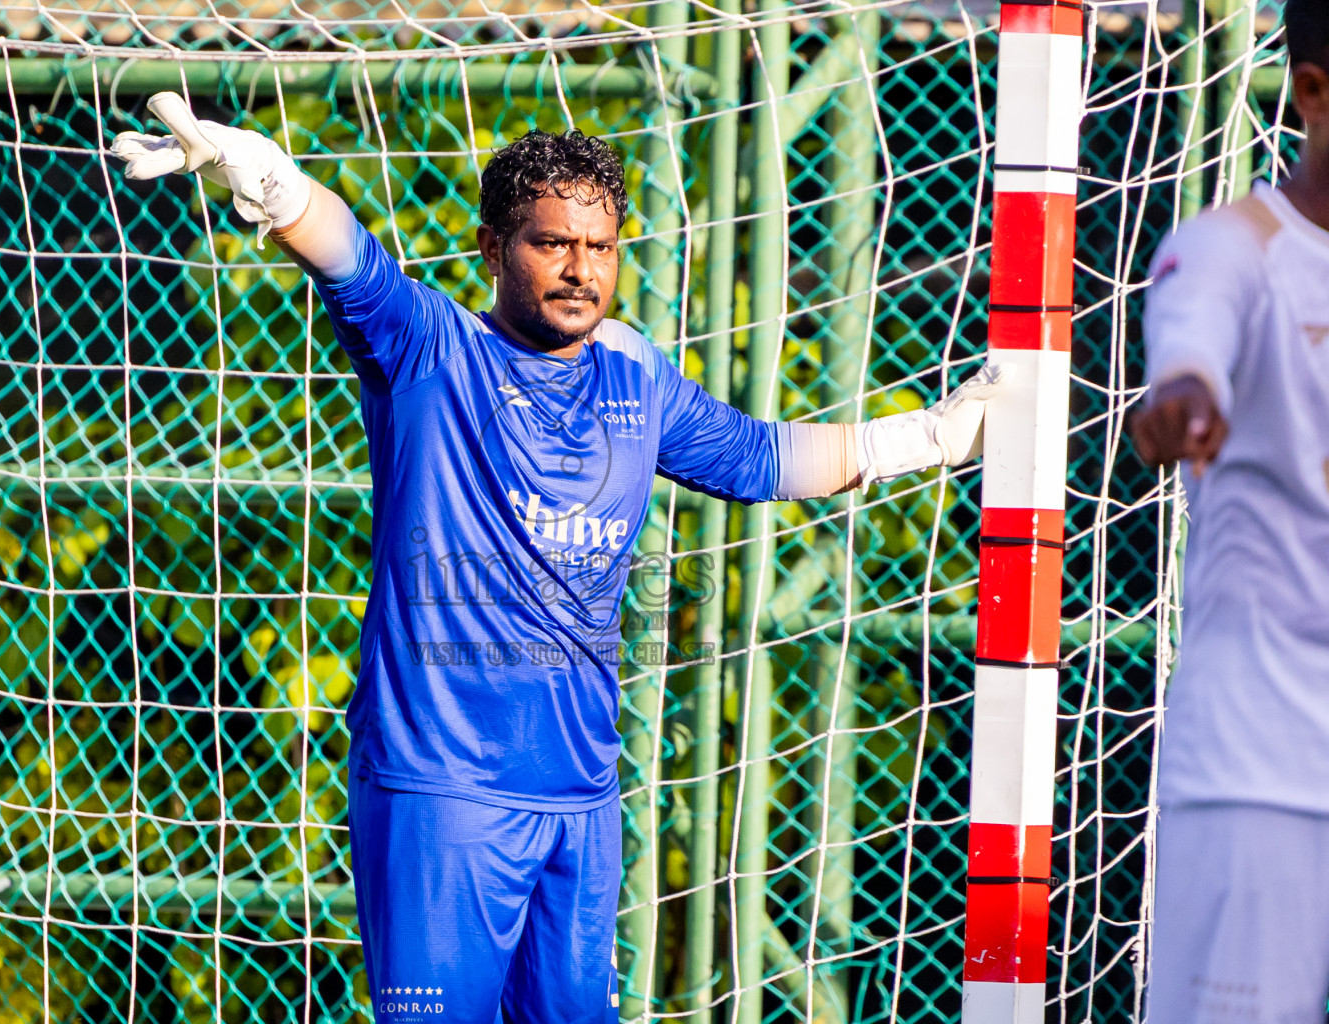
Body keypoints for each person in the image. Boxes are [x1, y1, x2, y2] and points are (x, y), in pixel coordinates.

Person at [112, 101, 1001, 1023]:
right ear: (496, 249)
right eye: (553, 244)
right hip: (441, 790)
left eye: (602, 246)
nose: (581, 270)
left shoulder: (635, 374)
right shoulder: (429, 347)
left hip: (581, 797)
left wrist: (931, 437)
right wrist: (271, 182)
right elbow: (351, 259)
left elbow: (761, 459)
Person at [1129, 1, 1329, 1021]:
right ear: (1313, 94)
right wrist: (1185, 395)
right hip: (1267, 777)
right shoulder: (1234, 248)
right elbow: (1191, 343)